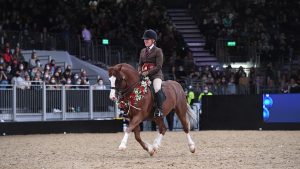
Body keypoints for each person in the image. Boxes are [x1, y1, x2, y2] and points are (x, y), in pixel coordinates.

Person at [138, 29, 164, 117]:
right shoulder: (142, 51)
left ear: (153, 40)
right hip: (144, 75)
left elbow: (159, 66)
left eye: (147, 39)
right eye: (144, 39)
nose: (145, 41)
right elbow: (140, 64)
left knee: (156, 88)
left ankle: (159, 109)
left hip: (156, 75)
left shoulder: (158, 51)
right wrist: (139, 71)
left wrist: (147, 72)